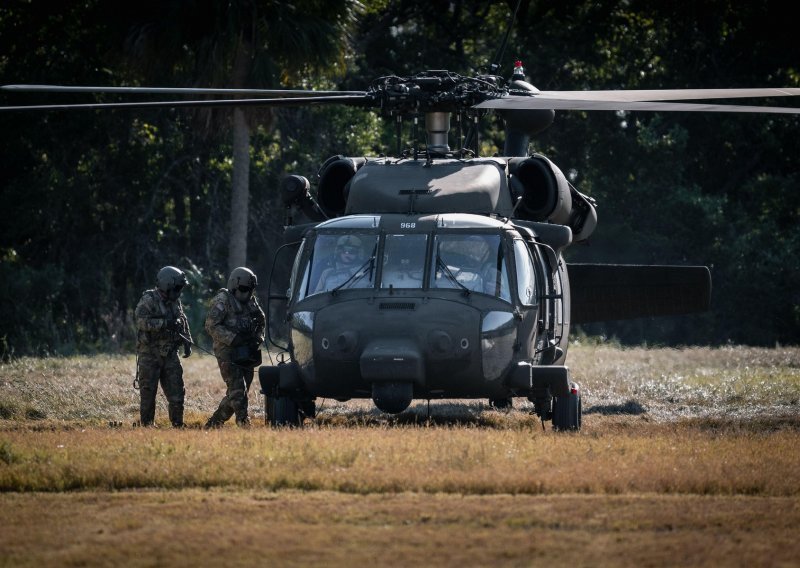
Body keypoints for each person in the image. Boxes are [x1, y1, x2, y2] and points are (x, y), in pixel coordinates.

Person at [204, 266, 266, 428]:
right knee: (238, 389)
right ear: (234, 285)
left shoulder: (250, 301)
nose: (247, 293)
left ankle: (213, 424)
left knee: (238, 392)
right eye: (245, 289)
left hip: (247, 350)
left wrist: (257, 338)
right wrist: (233, 338)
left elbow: (261, 320)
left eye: (250, 289)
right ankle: (243, 422)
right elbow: (211, 326)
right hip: (227, 351)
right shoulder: (222, 300)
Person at [134, 266, 193, 428]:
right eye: (177, 287)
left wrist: (187, 341)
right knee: (148, 393)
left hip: (170, 353)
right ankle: (147, 426)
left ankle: (178, 424)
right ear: (167, 285)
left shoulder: (175, 302)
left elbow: (183, 320)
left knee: (177, 392)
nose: (179, 291)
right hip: (149, 355)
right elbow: (141, 322)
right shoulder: (149, 300)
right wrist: (164, 323)